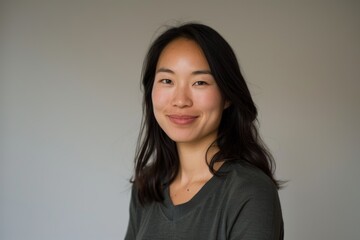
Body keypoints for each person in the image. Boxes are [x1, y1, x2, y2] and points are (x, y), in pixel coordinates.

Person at [125, 22, 283, 240]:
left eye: (199, 82)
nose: (180, 100)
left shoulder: (249, 191)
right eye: (167, 80)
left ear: (227, 95)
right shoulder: (147, 187)